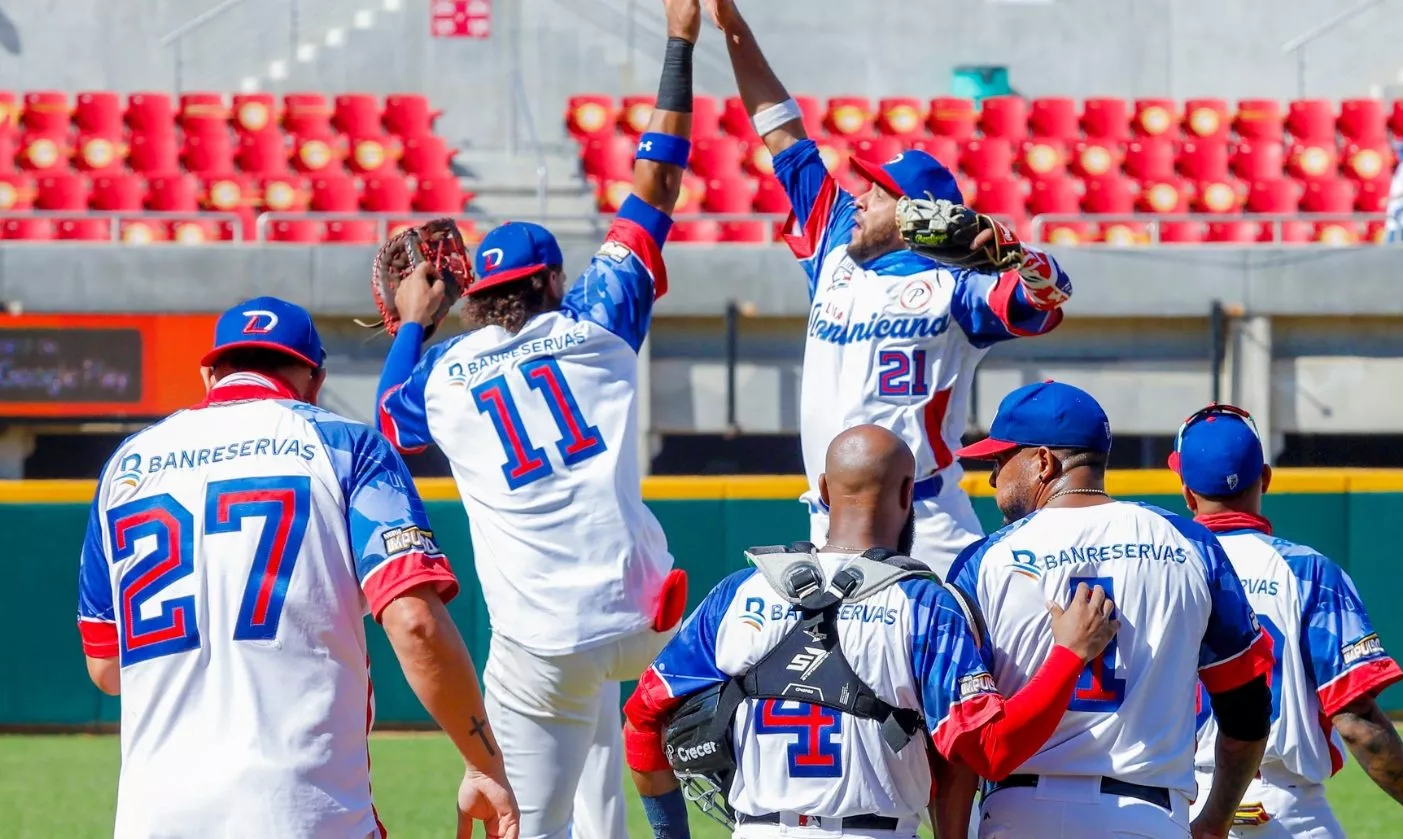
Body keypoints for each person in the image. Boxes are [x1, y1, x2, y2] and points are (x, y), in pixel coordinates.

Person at [371, 2, 701, 836]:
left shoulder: (445, 375)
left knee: (531, 819)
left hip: (543, 646)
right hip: (647, 620)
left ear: (479, 299)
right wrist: (678, 43)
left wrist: (415, 318)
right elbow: (657, 177)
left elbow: (388, 421)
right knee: (611, 758)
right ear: (551, 281)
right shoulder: (593, 324)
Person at [76, 297, 518, 839]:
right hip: (303, 811)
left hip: (153, 817)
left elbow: (106, 668)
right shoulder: (347, 446)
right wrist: (482, 762)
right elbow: (415, 621)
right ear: (315, 379)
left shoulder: (128, 463)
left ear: (209, 374)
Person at [703, 0, 1077, 578]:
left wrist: (1011, 252)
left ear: (913, 213)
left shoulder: (959, 285)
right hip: (829, 518)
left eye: (874, 193)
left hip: (928, 524)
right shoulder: (834, 243)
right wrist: (735, 29)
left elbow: (1051, 296)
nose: (856, 199)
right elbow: (780, 131)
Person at [622, 424, 1119, 839]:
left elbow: (642, 721)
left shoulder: (737, 594)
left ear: (821, 490)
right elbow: (983, 749)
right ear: (909, 494)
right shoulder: (925, 607)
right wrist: (1069, 655)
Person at [946, 380, 1275, 839]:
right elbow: (1247, 708)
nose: (993, 477)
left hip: (1019, 813)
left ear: (1043, 461)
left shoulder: (984, 561)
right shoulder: (1189, 544)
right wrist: (1217, 816)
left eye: (1001, 460)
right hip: (1146, 815)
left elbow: (961, 739)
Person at [1170, 404, 1403, 839]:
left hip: (1179, 804)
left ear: (1185, 490)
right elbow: (1358, 724)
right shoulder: (1308, 572)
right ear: (1266, 479)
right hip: (1287, 809)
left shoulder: (1158, 570)